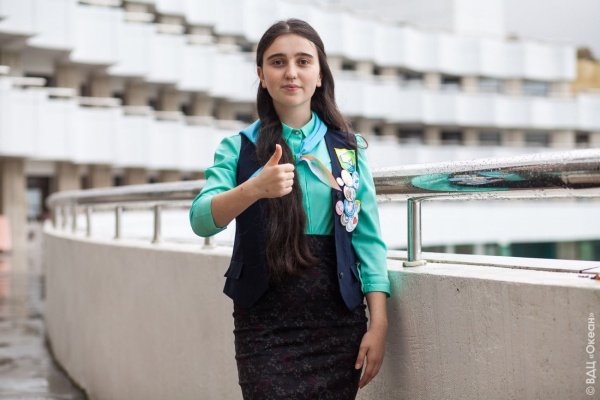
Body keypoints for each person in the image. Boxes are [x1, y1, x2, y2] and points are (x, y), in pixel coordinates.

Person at [189, 18, 390, 399]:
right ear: (261, 76)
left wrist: (379, 324)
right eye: (278, 62)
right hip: (264, 324)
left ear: (320, 74)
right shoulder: (237, 148)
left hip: (338, 322)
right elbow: (201, 220)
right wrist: (253, 189)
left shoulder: (347, 151)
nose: (291, 72)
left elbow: (368, 241)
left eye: (303, 61)